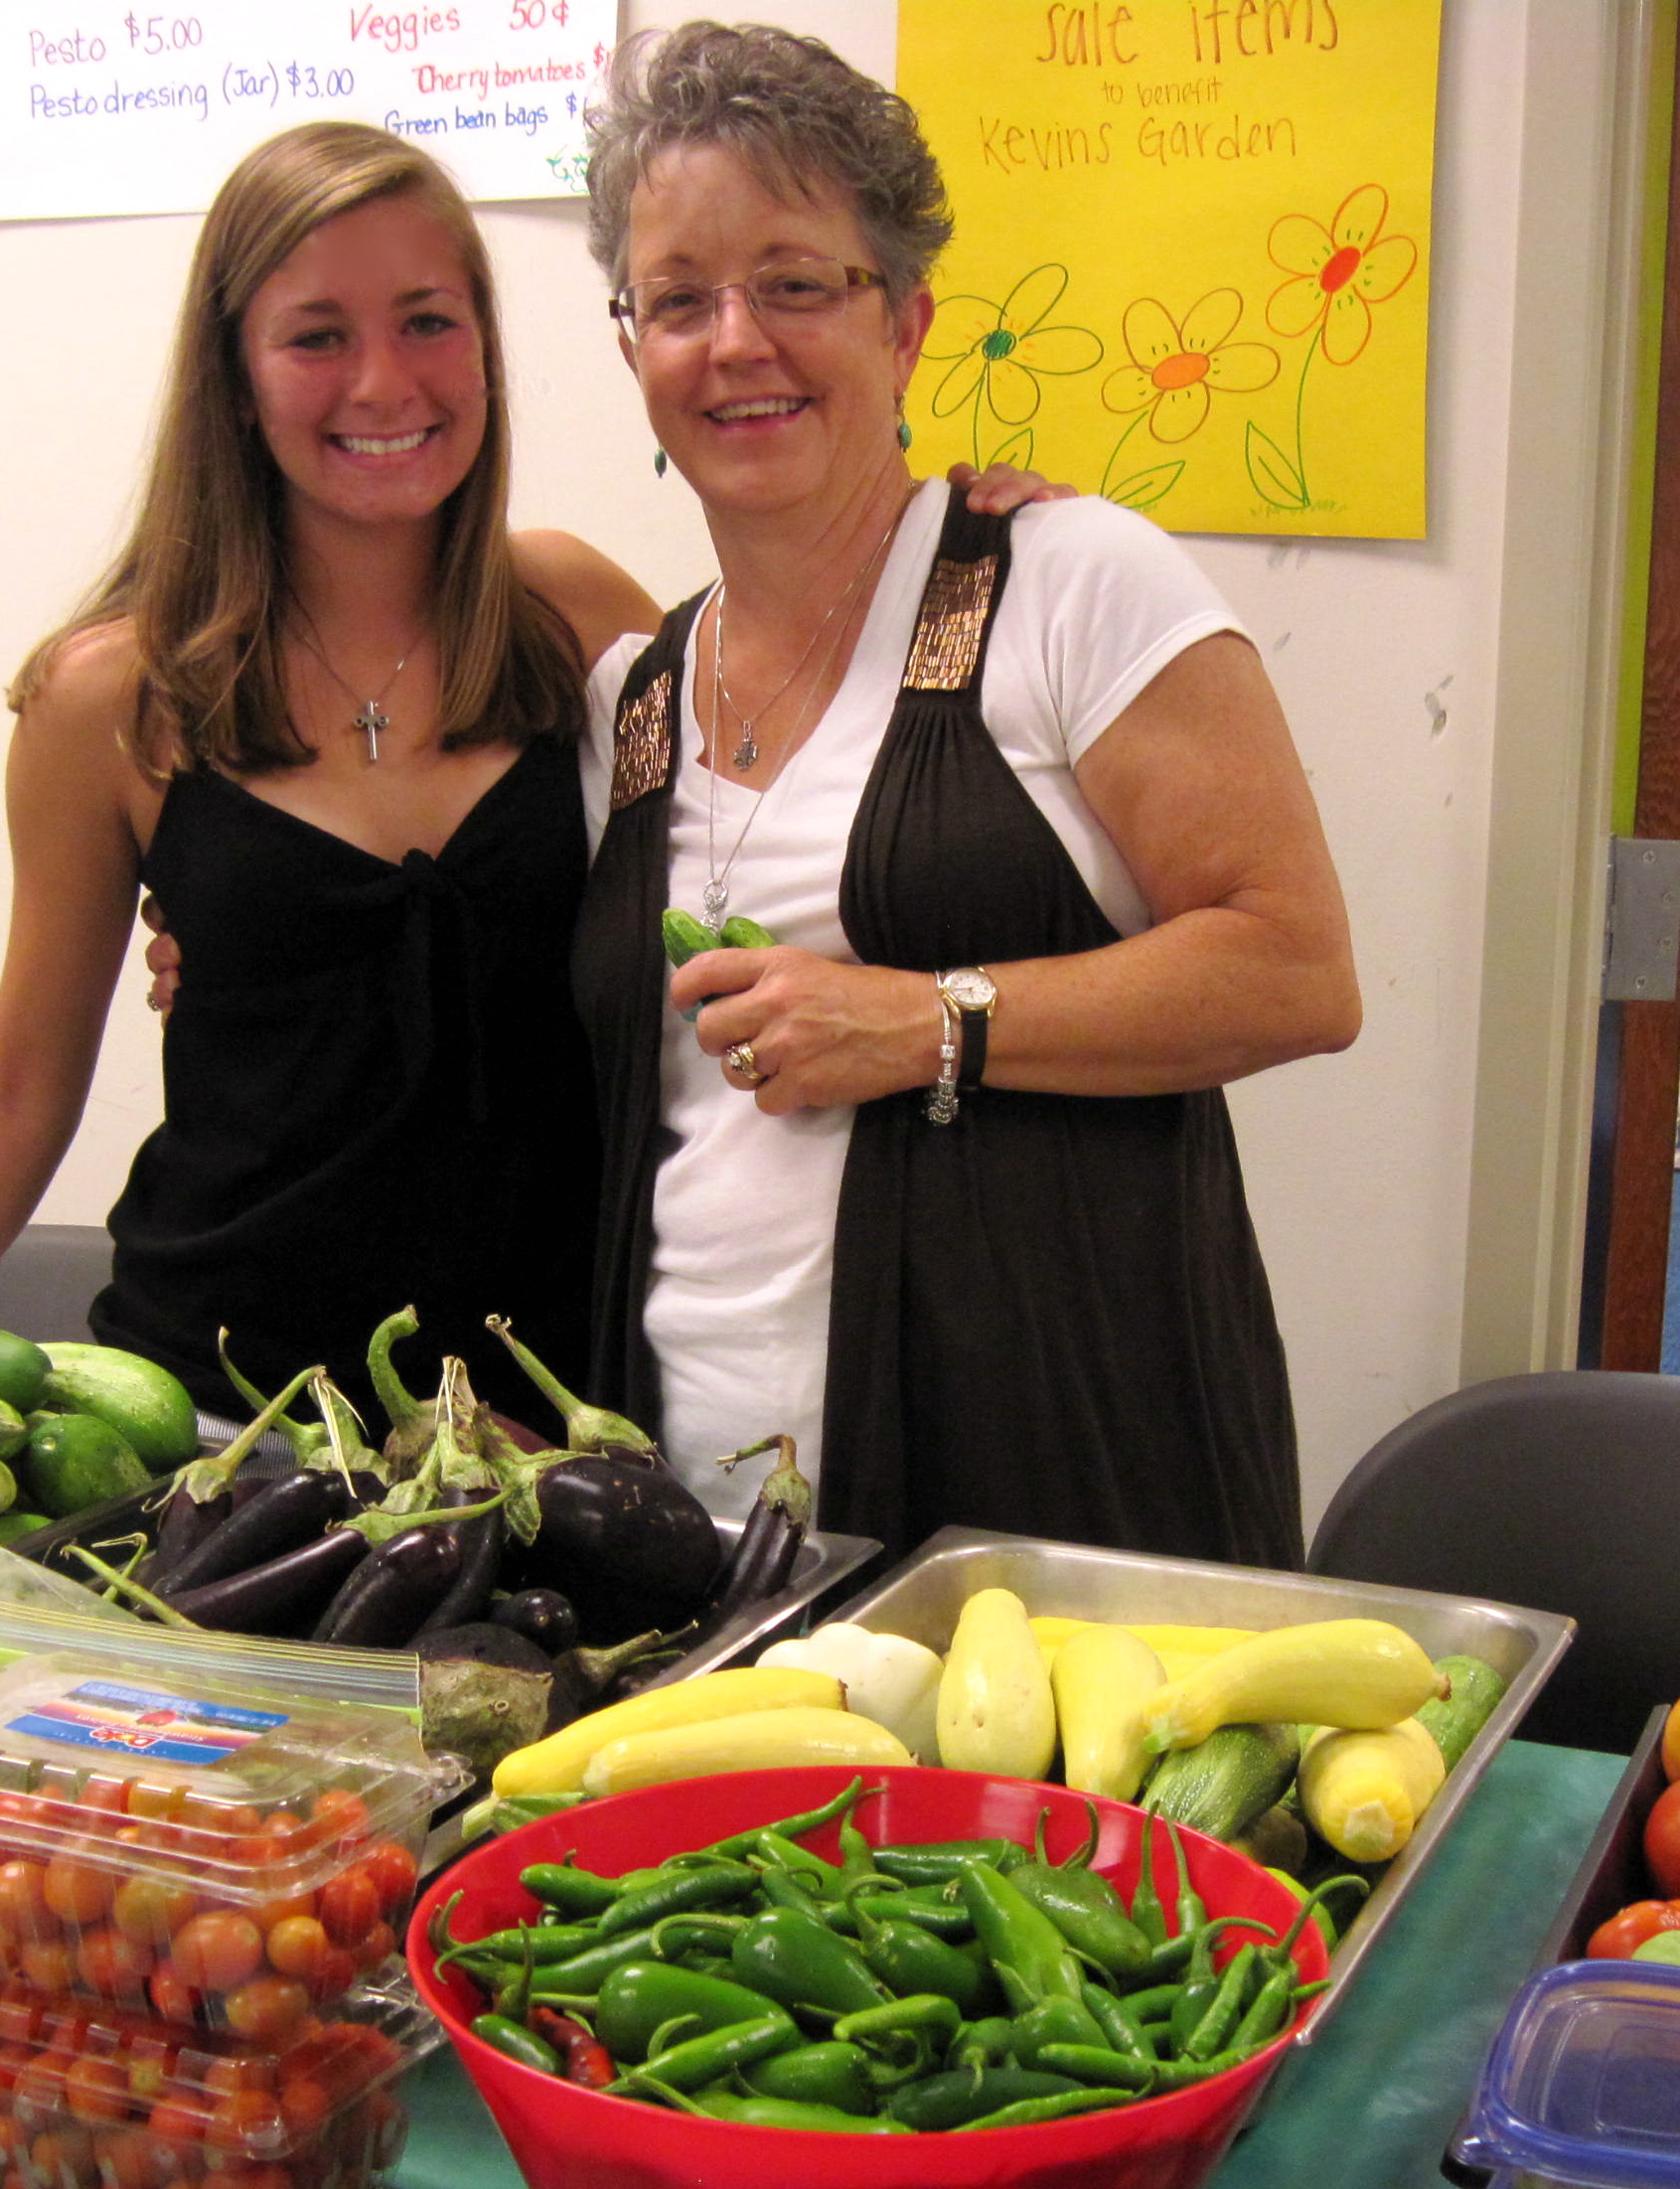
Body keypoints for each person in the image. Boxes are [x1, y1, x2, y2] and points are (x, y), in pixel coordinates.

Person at [0, 120, 1054, 1427]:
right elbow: (19, 1090)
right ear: (236, 376)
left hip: (559, 1419)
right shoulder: (115, 700)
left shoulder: (577, 618)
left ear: (484, 346)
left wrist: (961, 546)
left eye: (427, 322)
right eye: (316, 335)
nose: (383, 382)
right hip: (223, 1419)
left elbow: (778, 828)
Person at [570, 25, 1362, 1569]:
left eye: (796, 282)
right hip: (698, 1519)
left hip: (1052, 1488)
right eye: (679, 298)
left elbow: (1294, 969)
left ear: (905, 321)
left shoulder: (1071, 586)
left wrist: (931, 1021)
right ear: (632, 347)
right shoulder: (631, 701)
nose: (735, 339)